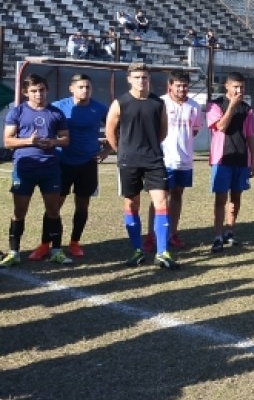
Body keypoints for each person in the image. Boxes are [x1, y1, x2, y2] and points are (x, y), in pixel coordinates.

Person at [25, 74, 109, 261]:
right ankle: (45, 244)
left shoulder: (100, 108)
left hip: (87, 164)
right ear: (71, 89)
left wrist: (107, 150)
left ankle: (75, 242)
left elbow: (115, 127)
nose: (85, 90)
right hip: (61, 163)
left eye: (88, 87)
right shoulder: (58, 107)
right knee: (54, 206)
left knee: (82, 205)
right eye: (80, 87)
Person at [105, 62, 179, 269]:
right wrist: (121, 151)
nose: (141, 80)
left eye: (144, 77)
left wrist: (150, 146)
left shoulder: (158, 103)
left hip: (154, 160)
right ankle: (137, 250)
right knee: (132, 204)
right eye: (137, 77)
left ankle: (162, 252)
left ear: (149, 79)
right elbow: (110, 130)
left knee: (162, 203)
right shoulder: (121, 102)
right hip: (129, 161)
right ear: (129, 79)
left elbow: (163, 132)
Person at [1, 75, 71, 267]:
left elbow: (66, 139)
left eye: (41, 90)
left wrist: (54, 142)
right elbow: (7, 141)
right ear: (25, 93)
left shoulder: (56, 113)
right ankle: (14, 252)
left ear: (47, 90)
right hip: (25, 168)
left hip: (50, 168)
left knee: (53, 210)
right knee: (19, 211)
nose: (38, 94)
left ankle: (56, 250)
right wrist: (28, 141)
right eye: (33, 91)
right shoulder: (17, 112)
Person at [144, 71, 201, 251]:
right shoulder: (159, 103)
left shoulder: (195, 106)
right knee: (159, 199)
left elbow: (194, 130)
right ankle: (152, 236)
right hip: (163, 160)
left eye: (185, 85)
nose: (182, 89)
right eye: (178, 85)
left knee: (177, 195)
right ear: (170, 86)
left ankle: (173, 233)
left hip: (184, 161)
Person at [206, 72, 254, 253]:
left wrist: (252, 161)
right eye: (236, 86)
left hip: (241, 159)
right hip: (222, 159)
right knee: (220, 199)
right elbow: (221, 126)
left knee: (236, 197)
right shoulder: (215, 105)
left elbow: (250, 135)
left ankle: (230, 231)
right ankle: (217, 236)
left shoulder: (248, 109)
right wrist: (232, 107)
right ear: (227, 86)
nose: (239, 90)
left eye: (242, 87)